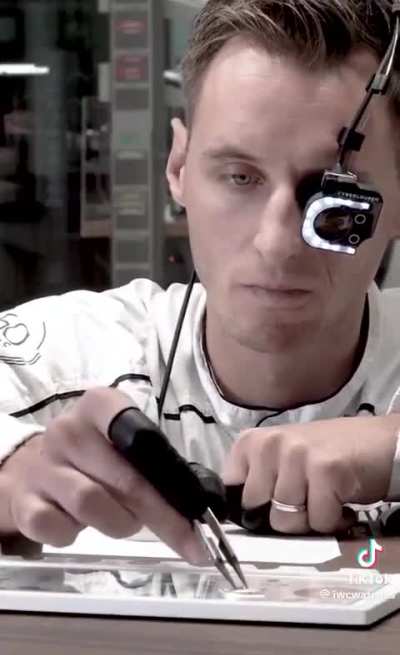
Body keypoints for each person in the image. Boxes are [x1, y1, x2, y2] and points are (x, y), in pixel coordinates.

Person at [1, 0, 400, 564]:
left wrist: (393, 449)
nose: (276, 242)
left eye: (330, 195)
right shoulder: (83, 355)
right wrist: (9, 463)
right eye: (239, 176)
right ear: (179, 167)